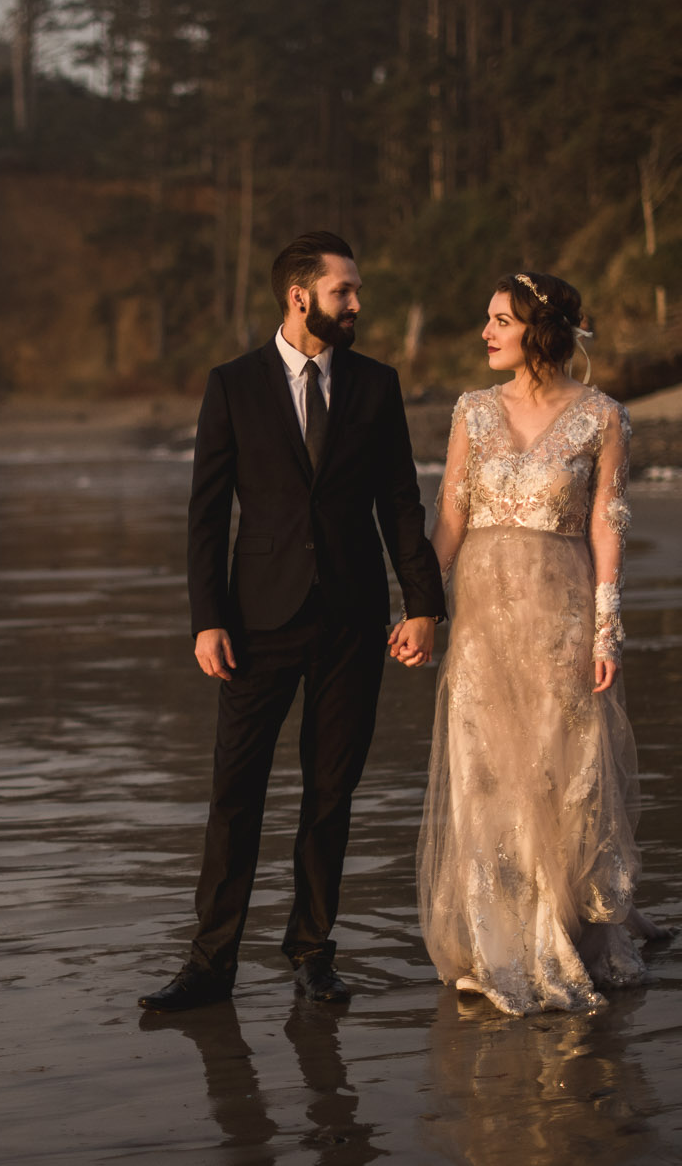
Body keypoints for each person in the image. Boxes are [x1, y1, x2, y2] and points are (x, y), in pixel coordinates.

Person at [140, 231, 447, 1014]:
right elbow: (207, 514)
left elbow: (400, 505)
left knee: (329, 792)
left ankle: (313, 952)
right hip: (256, 621)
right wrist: (207, 619)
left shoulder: (377, 385)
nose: (357, 305)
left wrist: (423, 603)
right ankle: (211, 961)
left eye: (356, 291)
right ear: (299, 296)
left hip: (351, 620)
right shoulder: (233, 384)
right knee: (235, 791)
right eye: (345, 291)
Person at [416, 271, 667, 1016]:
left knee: (562, 775)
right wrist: (423, 609)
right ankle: (499, 941)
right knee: (487, 775)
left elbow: (606, 526)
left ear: (539, 328)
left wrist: (606, 628)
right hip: (484, 627)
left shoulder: (602, 417)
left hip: (560, 621)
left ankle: (554, 932)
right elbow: (452, 522)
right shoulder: (471, 411)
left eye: (500, 320)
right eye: (487, 319)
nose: (486, 333)